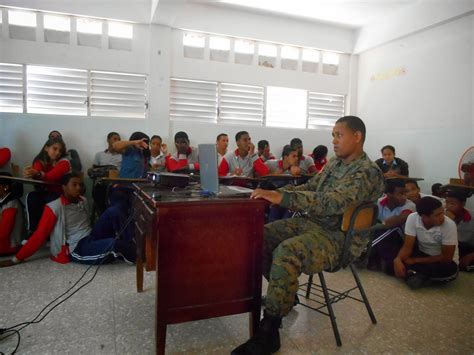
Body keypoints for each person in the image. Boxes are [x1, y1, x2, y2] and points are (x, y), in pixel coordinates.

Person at [231, 116, 384, 355]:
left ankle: (269, 331)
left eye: (339, 135)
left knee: (287, 251)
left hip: (338, 237)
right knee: (259, 237)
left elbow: (332, 202)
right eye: (333, 135)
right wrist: (276, 193)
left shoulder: (367, 172)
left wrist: (284, 199)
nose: (333, 141)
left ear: (357, 137)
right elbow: (312, 186)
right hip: (313, 224)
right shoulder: (335, 163)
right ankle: (285, 296)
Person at [0, 173, 135, 267]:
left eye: (80, 185)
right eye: (74, 185)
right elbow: (38, 237)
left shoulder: (83, 200)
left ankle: (134, 245)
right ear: (64, 187)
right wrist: (15, 259)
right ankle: (139, 258)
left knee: (114, 211)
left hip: (91, 236)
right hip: (76, 248)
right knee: (114, 244)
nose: (79, 188)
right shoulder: (54, 207)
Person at [394, 197, 458, 288]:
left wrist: (415, 260)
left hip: (442, 261)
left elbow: (446, 258)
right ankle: (416, 275)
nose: (442, 217)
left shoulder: (449, 225)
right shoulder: (412, 218)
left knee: (448, 271)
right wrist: (398, 260)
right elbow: (407, 246)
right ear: (424, 216)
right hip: (422, 254)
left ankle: (414, 274)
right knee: (397, 250)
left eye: (442, 213)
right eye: (437, 215)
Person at [24, 138, 72, 233]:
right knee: (31, 196)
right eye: (55, 148)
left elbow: (51, 177)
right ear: (46, 148)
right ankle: (33, 231)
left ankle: (50, 233)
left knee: (51, 198)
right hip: (47, 192)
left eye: (60, 150)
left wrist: (37, 174)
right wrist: (31, 172)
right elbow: (37, 173)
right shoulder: (40, 160)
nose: (58, 152)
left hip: (62, 193)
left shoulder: (64, 162)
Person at [368, 179, 416, 274]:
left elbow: (399, 220)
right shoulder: (379, 202)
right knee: (375, 230)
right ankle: (374, 258)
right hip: (382, 236)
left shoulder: (410, 205)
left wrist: (379, 224)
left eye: (405, 193)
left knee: (391, 229)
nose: (404, 197)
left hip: (402, 240)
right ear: (389, 194)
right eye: (400, 194)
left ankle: (367, 254)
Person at [445, 190, 474, 271]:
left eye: (452, 204)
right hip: (448, 248)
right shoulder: (441, 216)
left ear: (463, 204)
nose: (447, 207)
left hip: (467, 250)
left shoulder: (472, 218)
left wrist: (470, 256)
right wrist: (446, 222)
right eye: (446, 202)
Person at [0, 173, 24, 255]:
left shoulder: (11, 204)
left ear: (5, 187)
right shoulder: (4, 202)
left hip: (8, 246)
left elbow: (3, 233)